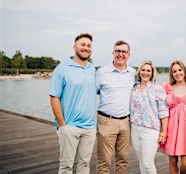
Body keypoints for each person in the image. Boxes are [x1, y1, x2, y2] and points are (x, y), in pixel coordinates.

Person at [49, 33, 97, 174]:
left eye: (89, 46)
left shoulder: (91, 69)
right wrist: (62, 125)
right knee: (66, 167)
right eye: (82, 44)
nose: (86, 48)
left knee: (85, 164)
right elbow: (54, 97)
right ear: (74, 47)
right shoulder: (61, 69)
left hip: (90, 128)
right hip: (70, 126)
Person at [95, 40, 136, 174]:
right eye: (118, 51)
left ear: (128, 55)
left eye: (124, 52)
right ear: (113, 53)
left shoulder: (133, 73)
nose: (120, 54)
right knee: (104, 161)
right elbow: (92, 93)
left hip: (126, 122)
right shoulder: (102, 72)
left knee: (123, 160)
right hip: (106, 121)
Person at [129, 61, 169, 174]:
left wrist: (164, 132)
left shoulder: (157, 88)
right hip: (135, 129)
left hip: (151, 130)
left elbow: (164, 112)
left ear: (152, 73)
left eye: (148, 71)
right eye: (143, 70)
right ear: (139, 71)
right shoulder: (134, 87)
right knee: (141, 162)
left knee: (148, 164)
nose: (145, 73)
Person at [160, 60, 186, 174]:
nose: (178, 73)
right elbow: (159, 107)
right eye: (174, 71)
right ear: (172, 74)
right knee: (172, 161)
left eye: (180, 70)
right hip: (172, 127)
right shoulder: (167, 87)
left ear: (184, 71)